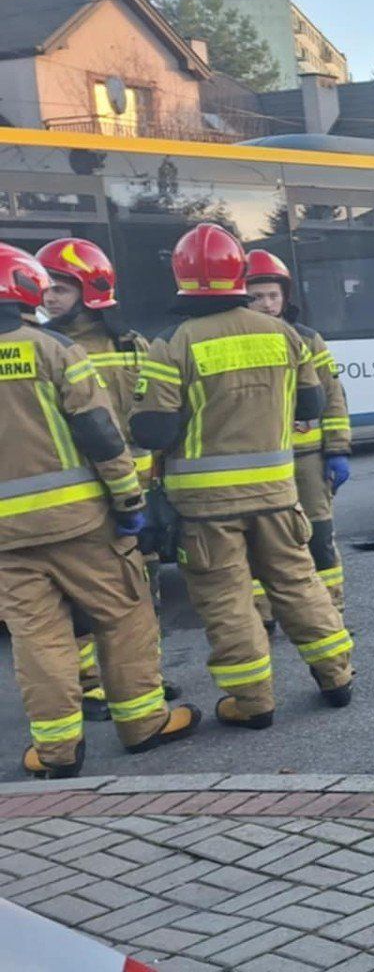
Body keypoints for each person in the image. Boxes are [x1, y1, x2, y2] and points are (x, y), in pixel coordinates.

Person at [131, 224, 355, 730]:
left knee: (228, 600)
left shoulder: (174, 342)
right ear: (238, 275)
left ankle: (253, 703)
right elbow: (312, 404)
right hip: (278, 494)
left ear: (182, 276)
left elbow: (151, 428)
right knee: (298, 583)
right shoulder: (283, 334)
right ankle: (336, 675)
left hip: (205, 508)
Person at [0, 243, 199, 777]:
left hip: (6, 542)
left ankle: (57, 754)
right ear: (25, 288)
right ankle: (142, 725)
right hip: (82, 524)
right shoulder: (54, 349)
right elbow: (99, 433)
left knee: (37, 638)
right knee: (125, 617)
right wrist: (129, 500)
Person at [35, 238, 173, 721]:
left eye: (61, 287)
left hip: (140, 491)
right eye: (47, 287)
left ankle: (143, 677)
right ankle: (91, 683)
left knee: (141, 591)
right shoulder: (49, 348)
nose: (50, 297)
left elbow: (153, 414)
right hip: (90, 496)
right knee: (85, 599)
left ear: (91, 288)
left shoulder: (133, 345)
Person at [244, 251, 350, 626]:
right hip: (259, 462)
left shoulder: (308, 339)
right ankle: (263, 616)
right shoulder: (239, 343)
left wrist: (336, 449)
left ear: (285, 296)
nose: (267, 304)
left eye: (273, 295)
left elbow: (333, 396)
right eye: (256, 296)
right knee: (260, 543)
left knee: (319, 535)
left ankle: (331, 610)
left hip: (307, 458)